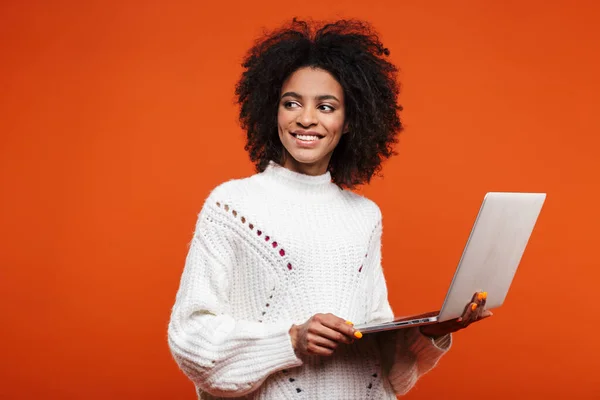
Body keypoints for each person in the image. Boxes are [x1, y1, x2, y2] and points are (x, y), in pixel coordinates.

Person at [167, 18, 491, 399]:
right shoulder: (232, 207)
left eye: (326, 106)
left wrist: (431, 331)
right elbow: (191, 337)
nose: (306, 118)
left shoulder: (364, 215)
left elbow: (382, 358)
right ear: (273, 111)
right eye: (292, 103)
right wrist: (291, 338)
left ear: (350, 120)